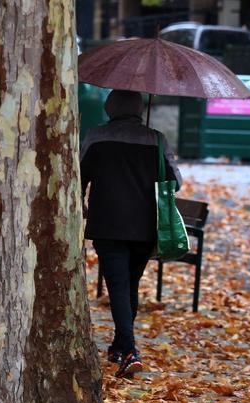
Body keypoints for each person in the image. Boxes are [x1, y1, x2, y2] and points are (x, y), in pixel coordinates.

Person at [80, 89, 182, 378]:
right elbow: (175, 182)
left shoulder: (97, 136)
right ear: (139, 109)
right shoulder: (156, 138)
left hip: (108, 224)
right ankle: (118, 345)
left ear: (109, 108)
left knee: (119, 287)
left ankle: (129, 350)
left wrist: (82, 203)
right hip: (145, 227)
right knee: (130, 284)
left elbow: (77, 174)